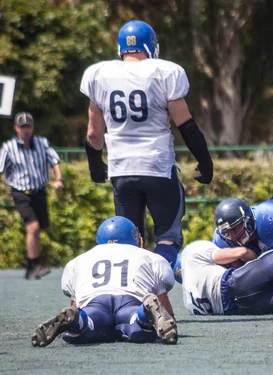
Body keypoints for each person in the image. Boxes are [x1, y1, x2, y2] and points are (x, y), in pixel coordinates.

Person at [80, 20, 213, 267]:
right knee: (168, 238)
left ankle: (133, 299)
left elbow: (93, 134)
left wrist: (95, 164)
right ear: (150, 45)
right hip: (157, 166)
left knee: (129, 243)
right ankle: (159, 291)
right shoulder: (164, 72)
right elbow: (186, 125)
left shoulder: (99, 75)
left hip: (121, 170)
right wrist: (204, 160)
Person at [31, 216, 178, 347]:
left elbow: (76, 304)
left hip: (95, 301)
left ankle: (78, 321)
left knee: (83, 327)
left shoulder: (78, 261)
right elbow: (164, 302)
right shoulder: (151, 257)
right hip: (131, 300)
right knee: (140, 328)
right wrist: (169, 318)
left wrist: (76, 317)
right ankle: (144, 313)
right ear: (134, 238)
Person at [0, 111, 64, 280]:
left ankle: (31, 267)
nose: (26, 131)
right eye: (22, 127)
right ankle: (35, 263)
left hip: (39, 192)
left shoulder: (42, 143)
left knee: (38, 229)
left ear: (33, 128)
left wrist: (58, 179)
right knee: (33, 227)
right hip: (20, 192)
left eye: (28, 127)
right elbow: (0, 169)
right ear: (16, 128)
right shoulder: (9, 148)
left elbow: (54, 160)